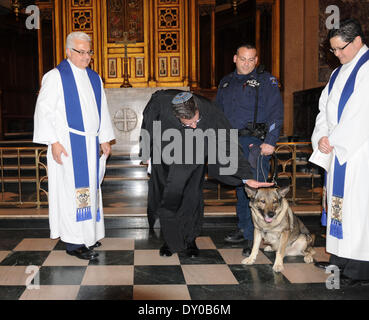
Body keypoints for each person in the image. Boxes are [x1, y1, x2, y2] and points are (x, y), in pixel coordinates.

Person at [140, 89, 274, 258]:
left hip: (194, 150)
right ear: (175, 115)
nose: (194, 126)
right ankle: (170, 240)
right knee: (167, 195)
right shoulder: (161, 103)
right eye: (188, 124)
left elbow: (228, 143)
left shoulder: (210, 111)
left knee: (191, 196)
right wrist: (146, 153)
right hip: (165, 149)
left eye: (196, 120)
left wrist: (246, 177)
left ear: (197, 109)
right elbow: (148, 123)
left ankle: (189, 239)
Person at [33, 31, 115, 260]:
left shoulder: (94, 78)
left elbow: (102, 110)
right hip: (68, 145)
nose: (86, 56)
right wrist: (54, 142)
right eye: (81, 52)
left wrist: (104, 137)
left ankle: (88, 235)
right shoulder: (55, 77)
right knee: (73, 193)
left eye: (89, 52)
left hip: (90, 143)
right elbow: (43, 110)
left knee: (90, 190)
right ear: (68, 51)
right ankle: (73, 241)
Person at [310, 19, 369, 286]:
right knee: (340, 209)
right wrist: (322, 137)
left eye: (341, 49)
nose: (337, 55)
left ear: (357, 40)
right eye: (333, 50)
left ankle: (358, 268)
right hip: (339, 151)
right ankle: (340, 258)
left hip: (359, 154)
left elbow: (360, 116)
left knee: (357, 210)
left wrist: (333, 140)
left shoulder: (367, 70)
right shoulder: (338, 74)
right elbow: (325, 111)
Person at [216, 44, 284, 256]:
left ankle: (255, 235)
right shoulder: (225, 82)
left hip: (255, 143)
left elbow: (276, 113)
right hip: (231, 142)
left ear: (256, 60)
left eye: (251, 59)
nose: (246, 63)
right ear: (235, 58)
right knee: (240, 187)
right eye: (243, 59)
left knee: (257, 191)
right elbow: (218, 113)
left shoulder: (266, 81)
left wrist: (271, 140)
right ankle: (245, 227)